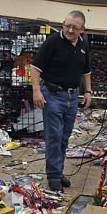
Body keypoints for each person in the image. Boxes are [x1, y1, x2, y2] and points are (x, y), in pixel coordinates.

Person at [31, 10, 92, 192]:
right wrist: (36, 91)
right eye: (67, 25)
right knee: (54, 136)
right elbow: (35, 67)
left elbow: (86, 70)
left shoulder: (83, 44)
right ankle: (53, 176)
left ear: (83, 29)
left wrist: (88, 91)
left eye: (75, 27)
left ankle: (58, 171)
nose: (70, 30)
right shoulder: (53, 42)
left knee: (64, 137)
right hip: (52, 95)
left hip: (72, 97)